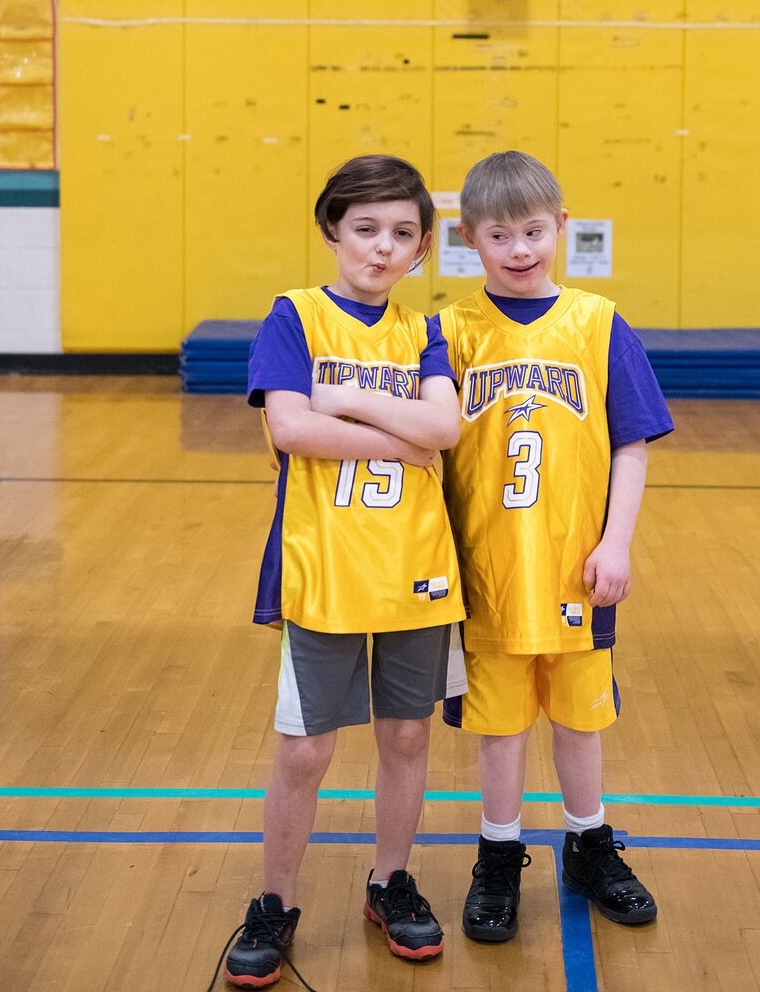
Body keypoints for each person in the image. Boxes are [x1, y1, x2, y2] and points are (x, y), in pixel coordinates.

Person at [221, 155, 466, 989]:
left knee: (405, 735)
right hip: (321, 566)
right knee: (305, 752)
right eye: (365, 229)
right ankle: (275, 902)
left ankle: (390, 882)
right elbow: (292, 429)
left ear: (424, 248)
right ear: (332, 231)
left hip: (416, 566)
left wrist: (350, 402)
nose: (382, 248)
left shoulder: (423, 330)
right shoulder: (293, 317)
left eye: (402, 234)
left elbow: (449, 425)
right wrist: (410, 438)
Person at [437, 150, 674, 944]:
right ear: (469, 238)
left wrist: (618, 542)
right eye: (499, 235)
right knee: (499, 728)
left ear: (563, 226)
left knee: (580, 720)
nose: (519, 249)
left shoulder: (599, 322)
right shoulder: (451, 331)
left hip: (579, 570)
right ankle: (497, 855)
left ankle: (588, 841)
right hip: (487, 575)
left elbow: (634, 443)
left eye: (534, 230)